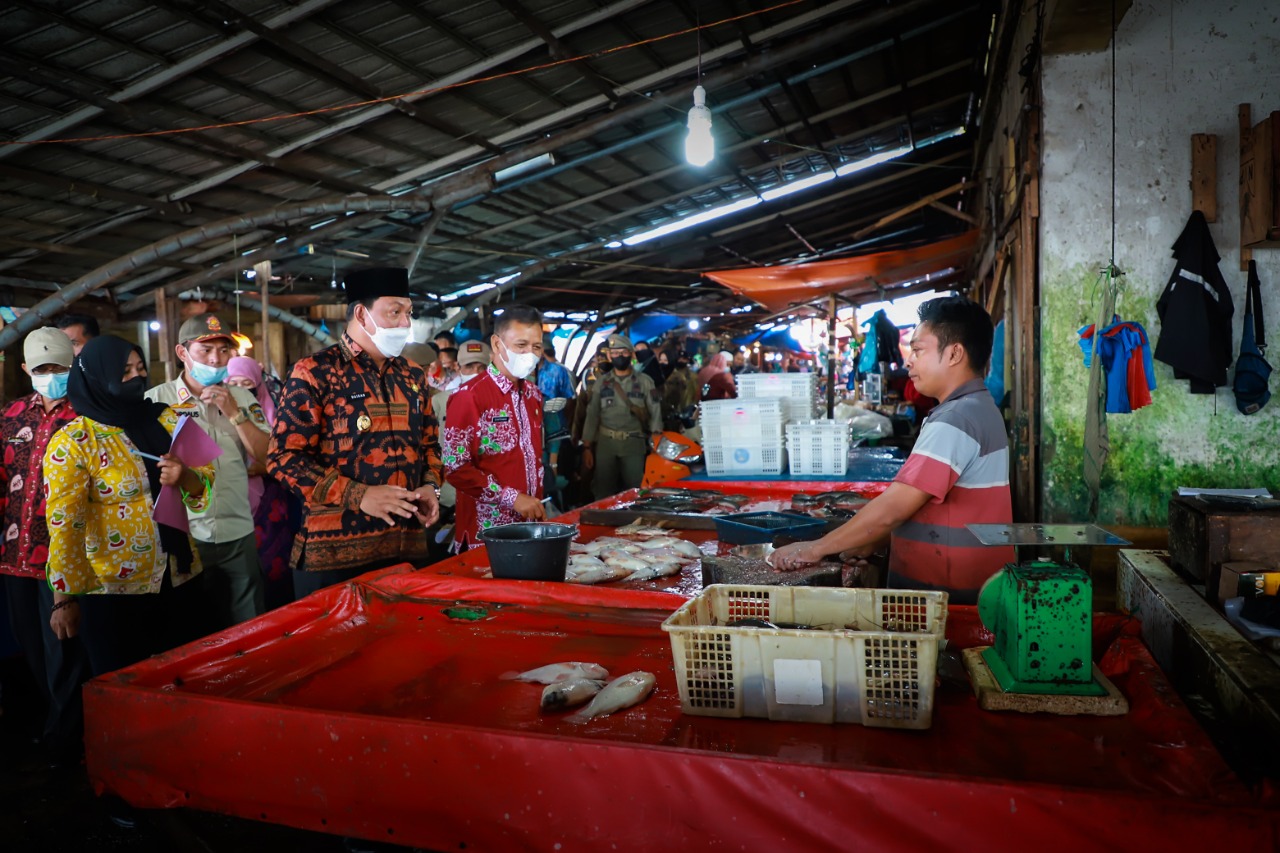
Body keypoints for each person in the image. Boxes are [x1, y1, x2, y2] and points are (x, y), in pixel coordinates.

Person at [770, 296, 1015, 603]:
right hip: (967, 586)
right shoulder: (976, 407)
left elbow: (895, 507)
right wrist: (876, 541)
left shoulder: (957, 419)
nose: (908, 361)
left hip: (949, 597)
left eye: (918, 349)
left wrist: (816, 548)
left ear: (954, 353)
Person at [44, 336, 214, 677]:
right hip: (114, 592)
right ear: (97, 375)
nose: (136, 377)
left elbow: (206, 484)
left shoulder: (168, 418)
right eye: (124, 371)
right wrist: (64, 598)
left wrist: (185, 477)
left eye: (140, 369)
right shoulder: (74, 442)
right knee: (126, 689)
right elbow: (66, 525)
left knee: (190, 681)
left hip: (181, 575)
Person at [268, 267, 442, 597]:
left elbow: (430, 445)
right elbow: (283, 458)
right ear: (362, 313)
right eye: (395, 312)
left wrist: (430, 485)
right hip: (333, 560)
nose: (405, 323)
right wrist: (359, 496)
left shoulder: (412, 376)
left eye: (409, 313)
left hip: (404, 551)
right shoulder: (315, 372)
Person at [0, 328, 89, 767]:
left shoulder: (88, 417)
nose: (51, 375)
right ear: (26, 371)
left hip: (64, 560)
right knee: (31, 647)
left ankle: (63, 740)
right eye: (42, 369)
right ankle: (54, 723)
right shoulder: (11, 417)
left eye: (59, 368)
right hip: (14, 557)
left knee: (65, 655)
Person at [146, 314, 268, 629]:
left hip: (238, 530)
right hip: (186, 535)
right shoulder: (156, 402)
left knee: (248, 624)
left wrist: (234, 414)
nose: (216, 359)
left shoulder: (242, 397)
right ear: (182, 353)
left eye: (223, 351)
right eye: (205, 350)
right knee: (194, 626)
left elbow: (268, 457)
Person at [443, 305, 545, 550]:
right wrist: (512, 498)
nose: (530, 354)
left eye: (537, 347)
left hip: (531, 526)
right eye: (521, 345)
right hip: (488, 533)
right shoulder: (470, 396)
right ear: (497, 345)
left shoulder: (533, 394)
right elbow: (455, 468)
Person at [227, 355, 297, 610]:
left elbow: (281, 457)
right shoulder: (218, 411)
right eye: (233, 382)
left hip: (270, 500)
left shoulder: (273, 410)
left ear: (257, 382)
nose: (240, 388)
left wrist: (259, 467)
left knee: (272, 563)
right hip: (234, 498)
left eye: (246, 382)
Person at [582, 334, 662, 499]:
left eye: (623, 352)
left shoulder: (645, 381)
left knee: (636, 491)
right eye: (615, 352)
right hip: (606, 444)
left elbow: (655, 412)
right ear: (610, 355)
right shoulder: (601, 382)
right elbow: (592, 415)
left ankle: (634, 524)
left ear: (631, 354)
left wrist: (656, 442)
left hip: (634, 443)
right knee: (603, 491)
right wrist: (587, 447)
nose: (619, 356)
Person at [431, 340, 490, 546]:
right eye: (469, 367)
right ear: (458, 367)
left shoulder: (500, 404)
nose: (475, 372)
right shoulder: (441, 401)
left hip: (491, 495)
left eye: (481, 367)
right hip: (450, 495)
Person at [536, 335, 575, 491]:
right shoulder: (520, 374)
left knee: (557, 480)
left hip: (556, 431)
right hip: (534, 435)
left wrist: (566, 425)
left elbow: (570, 401)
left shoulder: (558, 371)